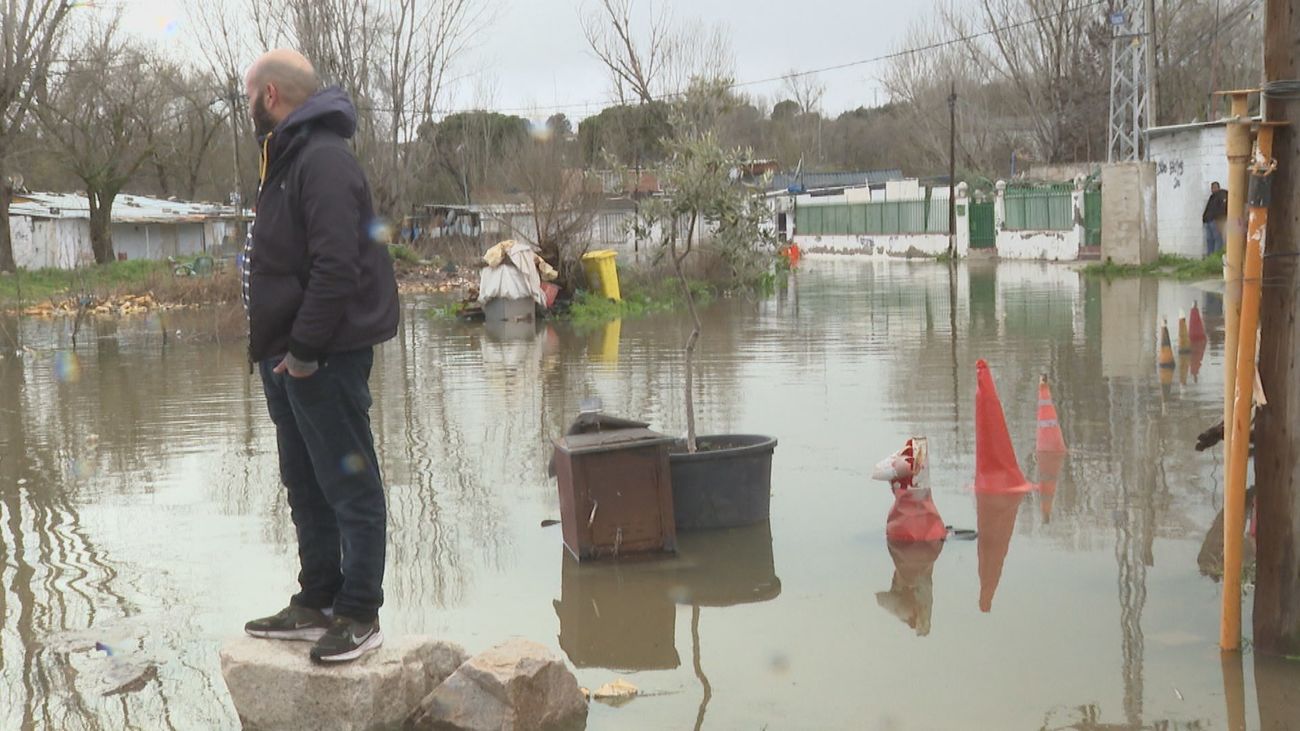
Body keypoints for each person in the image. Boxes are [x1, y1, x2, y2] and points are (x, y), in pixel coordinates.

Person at [239, 49, 399, 664]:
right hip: (286, 358)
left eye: (249, 94)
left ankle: (360, 612)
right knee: (305, 484)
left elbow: (339, 264)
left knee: (349, 484)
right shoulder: (286, 159)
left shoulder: (324, 160)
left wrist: (304, 352)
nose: (247, 105)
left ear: (271, 96)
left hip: (321, 357)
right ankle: (317, 601)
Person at [1202, 181, 1228, 256]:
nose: (1212, 189)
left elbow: (1223, 207)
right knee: (1211, 239)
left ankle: (1215, 256)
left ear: (1218, 187)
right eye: (1212, 188)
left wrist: (1219, 217)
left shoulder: (1222, 195)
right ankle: (1212, 257)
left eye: (1214, 188)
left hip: (1214, 220)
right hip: (1209, 220)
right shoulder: (1213, 196)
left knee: (1216, 239)